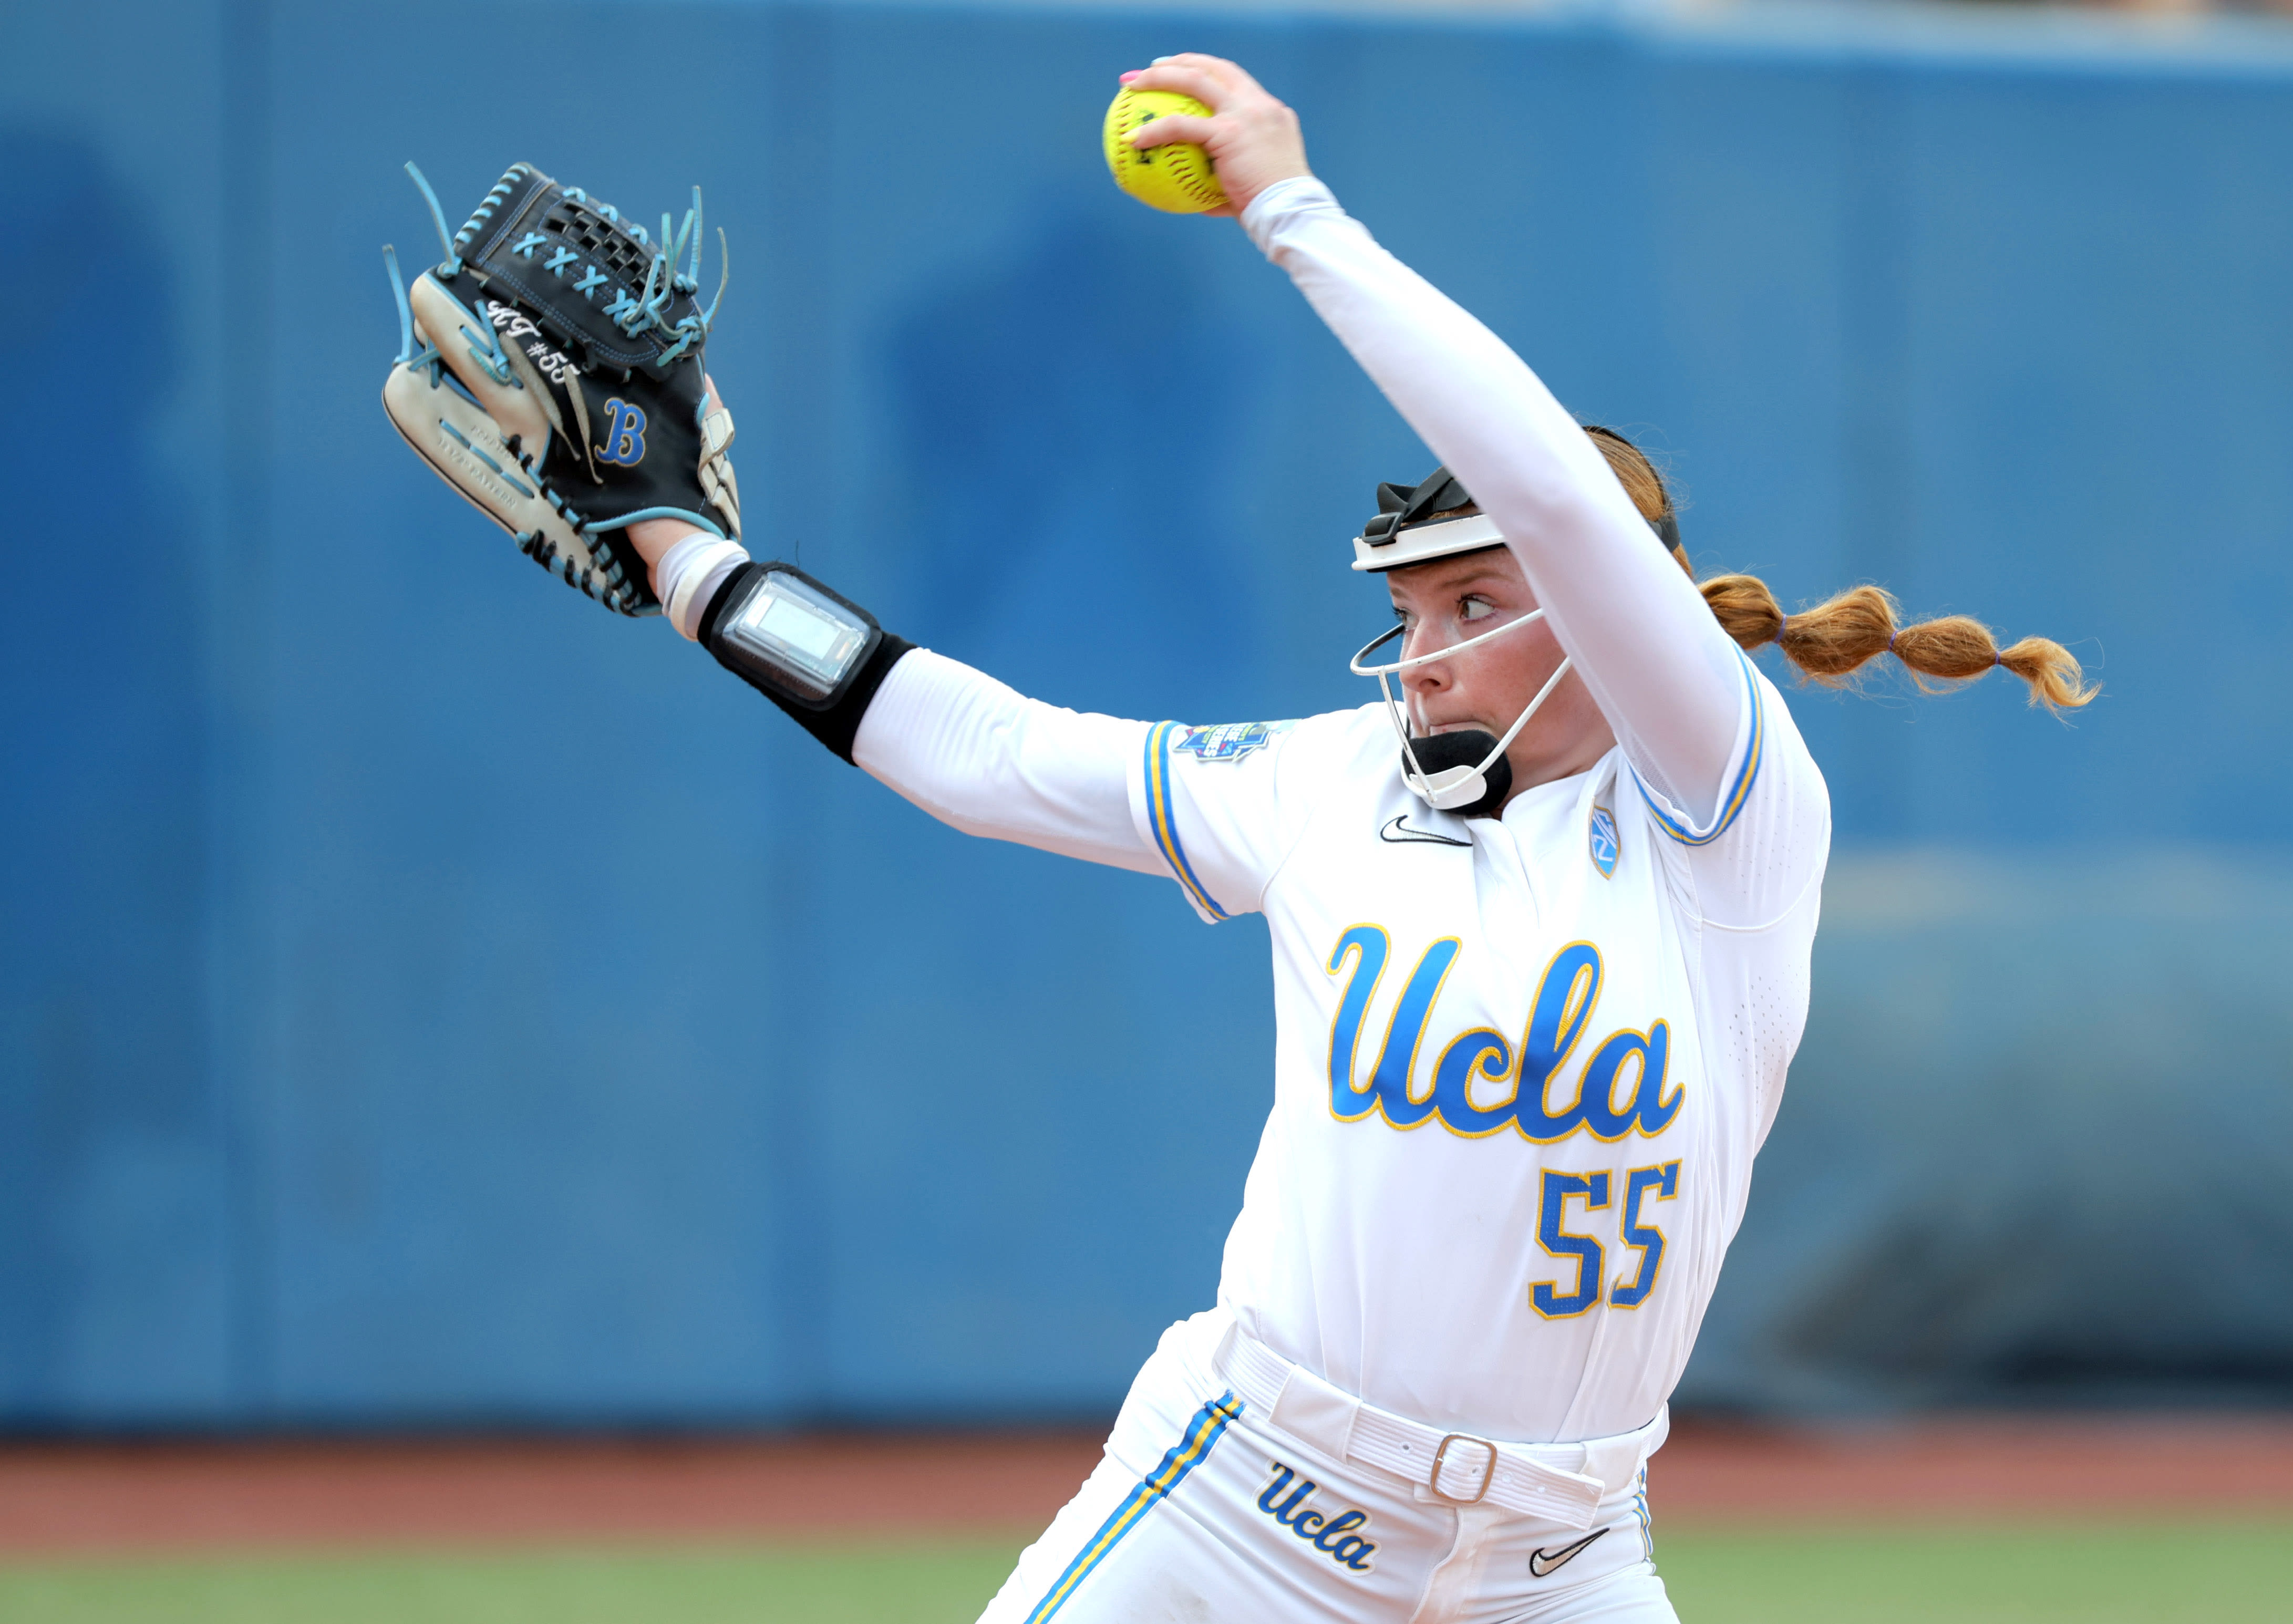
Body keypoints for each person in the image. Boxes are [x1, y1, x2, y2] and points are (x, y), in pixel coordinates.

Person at [634, 53, 2092, 1624]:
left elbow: (1549, 487)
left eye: (1472, 604)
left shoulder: (1724, 814)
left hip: (1563, 1561)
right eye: (1405, 613)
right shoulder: (1328, 783)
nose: (1424, 651)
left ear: (1613, 614)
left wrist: (1291, 209)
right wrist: (688, 562)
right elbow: (986, 753)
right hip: (1248, 1513)